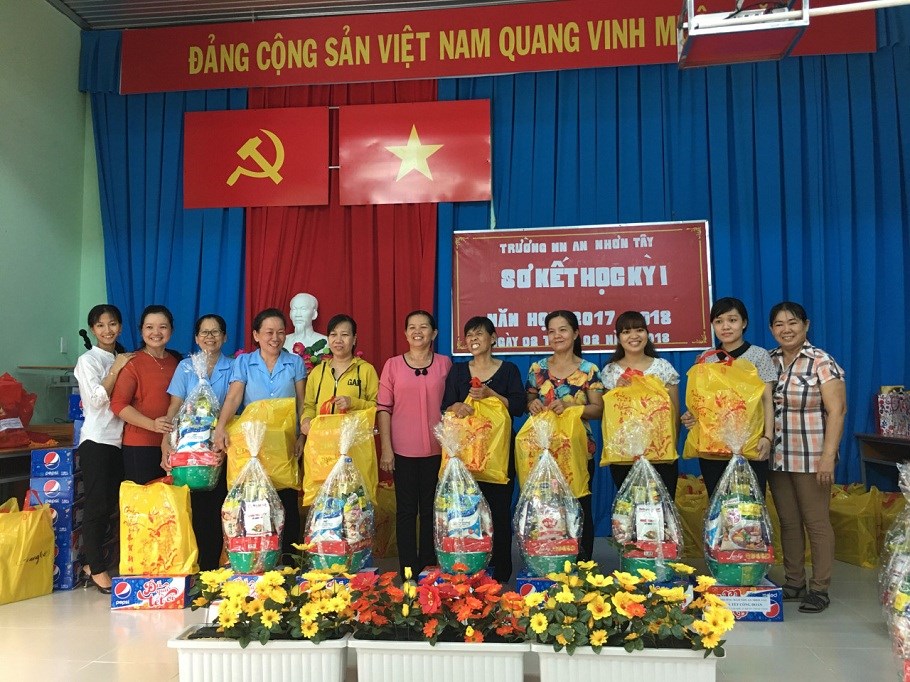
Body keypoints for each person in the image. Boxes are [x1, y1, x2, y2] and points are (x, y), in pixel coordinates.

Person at [767, 301, 845, 614]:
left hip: (812, 455)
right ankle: (794, 582)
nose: (786, 329)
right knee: (788, 522)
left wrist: (828, 457)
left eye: (792, 323)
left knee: (816, 521)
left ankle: (820, 588)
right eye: (779, 324)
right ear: (771, 329)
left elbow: (837, 411)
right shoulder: (768, 360)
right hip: (777, 456)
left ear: (806, 325)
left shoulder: (821, 361)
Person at [213, 308, 307, 559]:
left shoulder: (295, 362)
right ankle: (257, 558)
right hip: (252, 445)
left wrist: (302, 436)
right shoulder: (244, 362)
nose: (275, 338)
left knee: (286, 501)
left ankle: (288, 561)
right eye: (269, 332)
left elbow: (302, 402)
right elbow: (234, 397)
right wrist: (220, 427)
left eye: (280, 332)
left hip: (285, 443)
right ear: (256, 335)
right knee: (254, 501)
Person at [442, 316, 526, 583]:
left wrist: (492, 395)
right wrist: (457, 406)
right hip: (466, 456)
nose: (473, 339)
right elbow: (446, 406)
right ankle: (470, 566)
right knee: (467, 512)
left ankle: (500, 573)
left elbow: (518, 407)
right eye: (469, 335)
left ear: (493, 338)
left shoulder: (508, 370)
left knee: (499, 511)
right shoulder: (458, 371)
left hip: (498, 455)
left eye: (479, 334)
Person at [377, 310, 453, 579]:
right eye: (412, 327)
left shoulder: (445, 364)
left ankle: (429, 569)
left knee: (433, 510)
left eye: (424, 327)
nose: (417, 331)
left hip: (438, 451)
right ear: (405, 333)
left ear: (434, 333)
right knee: (407, 512)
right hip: (402, 451)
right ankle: (408, 571)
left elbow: (453, 407)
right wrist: (386, 449)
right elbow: (383, 409)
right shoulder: (393, 365)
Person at [526, 310, 604, 562]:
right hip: (544, 451)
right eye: (551, 331)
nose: (557, 335)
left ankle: (582, 565)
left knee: (579, 507)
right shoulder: (537, 368)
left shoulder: (589, 370)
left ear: (575, 333)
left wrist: (572, 407)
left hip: (579, 450)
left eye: (563, 330)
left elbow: (598, 409)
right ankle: (548, 560)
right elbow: (529, 398)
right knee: (546, 507)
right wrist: (532, 404)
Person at [681, 297, 776, 498]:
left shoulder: (758, 355)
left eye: (732, 320)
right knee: (718, 502)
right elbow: (701, 400)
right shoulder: (706, 357)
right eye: (719, 321)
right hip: (712, 447)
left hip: (749, 444)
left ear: (744, 322)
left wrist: (768, 437)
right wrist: (692, 416)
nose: (725, 326)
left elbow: (767, 399)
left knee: (750, 505)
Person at [160, 314, 233, 570]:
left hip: (220, 449)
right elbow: (175, 406)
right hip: (188, 451)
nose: (209, 337)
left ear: (224, 337)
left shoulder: (234, 367)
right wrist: (166, 441)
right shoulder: (185, 367)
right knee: (192, 509)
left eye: (215, 332)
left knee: (218, 508)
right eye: (204, 332)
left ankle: (212, 569)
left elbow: (237, 407)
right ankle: (193, 569)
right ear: (196, 338)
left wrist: (224, 443)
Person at [73, 304, 134, 593]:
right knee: (97, 505)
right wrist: (116, 368)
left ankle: (94, 563)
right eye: (100, 325)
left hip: (122, 441)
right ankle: (96, 568)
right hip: (97, 441)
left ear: (120, 326)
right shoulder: (88, 360)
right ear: (93, 329)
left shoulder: (124, 356)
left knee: (112, 505)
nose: (107, 330)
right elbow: (97, 400)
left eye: (112, 324)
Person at [600, 310, 680, 499]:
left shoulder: (662, 367)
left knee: (663, 508)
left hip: (661, 455)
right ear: (618, 338)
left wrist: (670, 448)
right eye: (626, 332)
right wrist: (616, 391)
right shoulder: (611, 371)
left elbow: (674, 413)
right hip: (624, 458)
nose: (634, 336)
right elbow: (609, 418)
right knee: (629, 509)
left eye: (639, 330)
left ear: (647, 334)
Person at [111, 305, 179, 486]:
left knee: (171, 500)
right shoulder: (132, 362)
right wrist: (153, 425)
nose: (156, 332)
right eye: (149, 327)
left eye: (163, 327)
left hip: (174, 445)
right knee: (143, 500)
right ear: (141, 330)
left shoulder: (178, 362)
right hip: (140, 445)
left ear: (171, 330)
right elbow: (118, 404)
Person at [300, 314, 379, 431]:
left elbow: (376, 407)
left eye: (345, 335)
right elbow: (309, 407)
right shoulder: (317, 372)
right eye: (333, 334)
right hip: (321, 439)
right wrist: (306, 420)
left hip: (353, 439)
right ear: (328, 339)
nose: (338, 340)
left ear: (354, 339)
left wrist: (352, 403)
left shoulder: (366, 370)